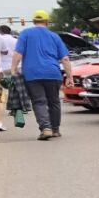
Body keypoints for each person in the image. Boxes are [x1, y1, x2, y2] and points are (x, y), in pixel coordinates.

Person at [11, 10, 72, 141]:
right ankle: (55, 129)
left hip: (32, 74)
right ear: (47, 22)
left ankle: (46, 128)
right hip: (53, 73)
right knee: (54, 102)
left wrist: (13, 69)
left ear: (34, 22)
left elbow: (18, 54)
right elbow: (65, 59)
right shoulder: (54, 36)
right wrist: (70, 77)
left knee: (39, 102)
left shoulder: (25, 34)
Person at [0, 26, 31, 128]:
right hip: (17, 66)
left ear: (0, 31)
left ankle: (12, 108)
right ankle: (21, 106)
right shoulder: (16, 40)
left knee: (7, 89)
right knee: (19, 88)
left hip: (3, 67)